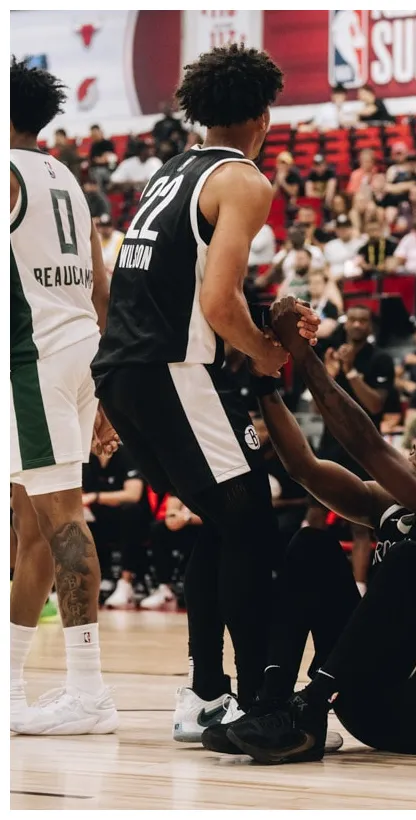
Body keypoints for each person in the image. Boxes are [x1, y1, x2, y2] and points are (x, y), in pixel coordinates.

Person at [91, 45, 319, 743]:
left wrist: (107, 402)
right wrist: (270, 351)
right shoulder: (243, 180)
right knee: (249, 523)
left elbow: (135, 284)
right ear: (264, 115)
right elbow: (218, 305)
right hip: (175, 370)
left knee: (224, 518)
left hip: (126, 372)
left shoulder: (168, 174)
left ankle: (207, 694)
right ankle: (251, 702)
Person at [202, 295, 416, 765]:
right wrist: (266, 382)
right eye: (413, 452)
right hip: (363, 704)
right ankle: (278, 706)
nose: (410, 461)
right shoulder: (392, 506)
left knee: (406, 561)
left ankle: (309, 703)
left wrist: (303, 355)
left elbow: (367, 446)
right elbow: (304, 468)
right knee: (312, 544)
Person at [10, 57, 118, 735]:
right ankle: (10, 687)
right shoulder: (66, 180)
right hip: (78, 348)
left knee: (62, 522)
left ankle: (89, 690)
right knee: (34, 527)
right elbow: (102, 286)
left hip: (34, 358)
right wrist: (104, 387)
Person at [312, 305, 395, 593]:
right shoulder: (331, 355)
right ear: (346, 324)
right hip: (330, 443)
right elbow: (316, 406)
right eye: (354, 320)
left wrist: (352, 373)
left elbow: (375, 405)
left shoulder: (381, 359)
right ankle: (310, 581)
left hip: (364, 447)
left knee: (361, 522)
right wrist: (330, 376)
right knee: (315, 516)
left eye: (364, 320)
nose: (358, 324)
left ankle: (359, 587)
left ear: (370, 326)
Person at [82, 447, 150, 608]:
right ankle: (87, 582)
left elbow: (133, 495)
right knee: (77, 522)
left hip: (132, 520)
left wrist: (96, 496)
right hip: (100, 518)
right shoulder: (86, 460)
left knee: (130, 512)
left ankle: (125, 583)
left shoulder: (126, 454)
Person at [323, 214, 364, 280]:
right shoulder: (330, 245)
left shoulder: (360, 244)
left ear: (351, 228)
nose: (343, 231)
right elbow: (326, 267)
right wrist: (331, 279)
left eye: (345, 228)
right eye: (340, 228)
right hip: (334, 279)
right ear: (336, 230)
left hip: (355, 280)